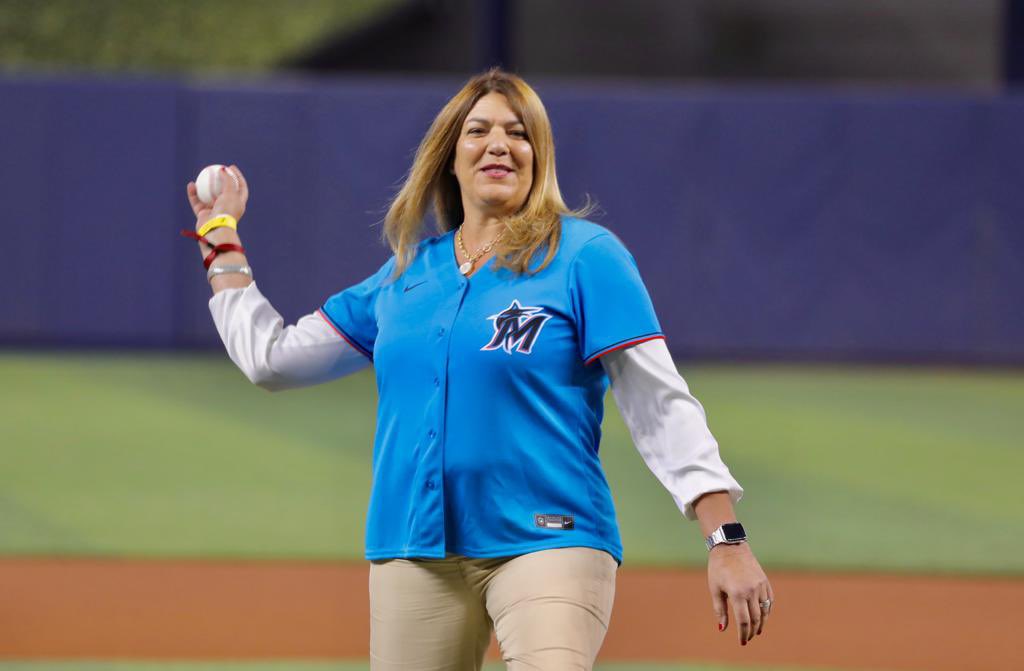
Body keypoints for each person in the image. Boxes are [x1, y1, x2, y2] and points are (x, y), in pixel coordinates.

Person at [183, 68, 773, 670]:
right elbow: (272, 360)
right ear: (451, 156)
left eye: (519, 133)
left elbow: (659, 402)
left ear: (538, 158)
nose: (498, 144)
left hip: (550, 537)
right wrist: (219, 237)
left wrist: (724, 537)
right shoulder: (404, 277)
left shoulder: (585, 258)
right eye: (479, 131)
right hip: (413, 545)